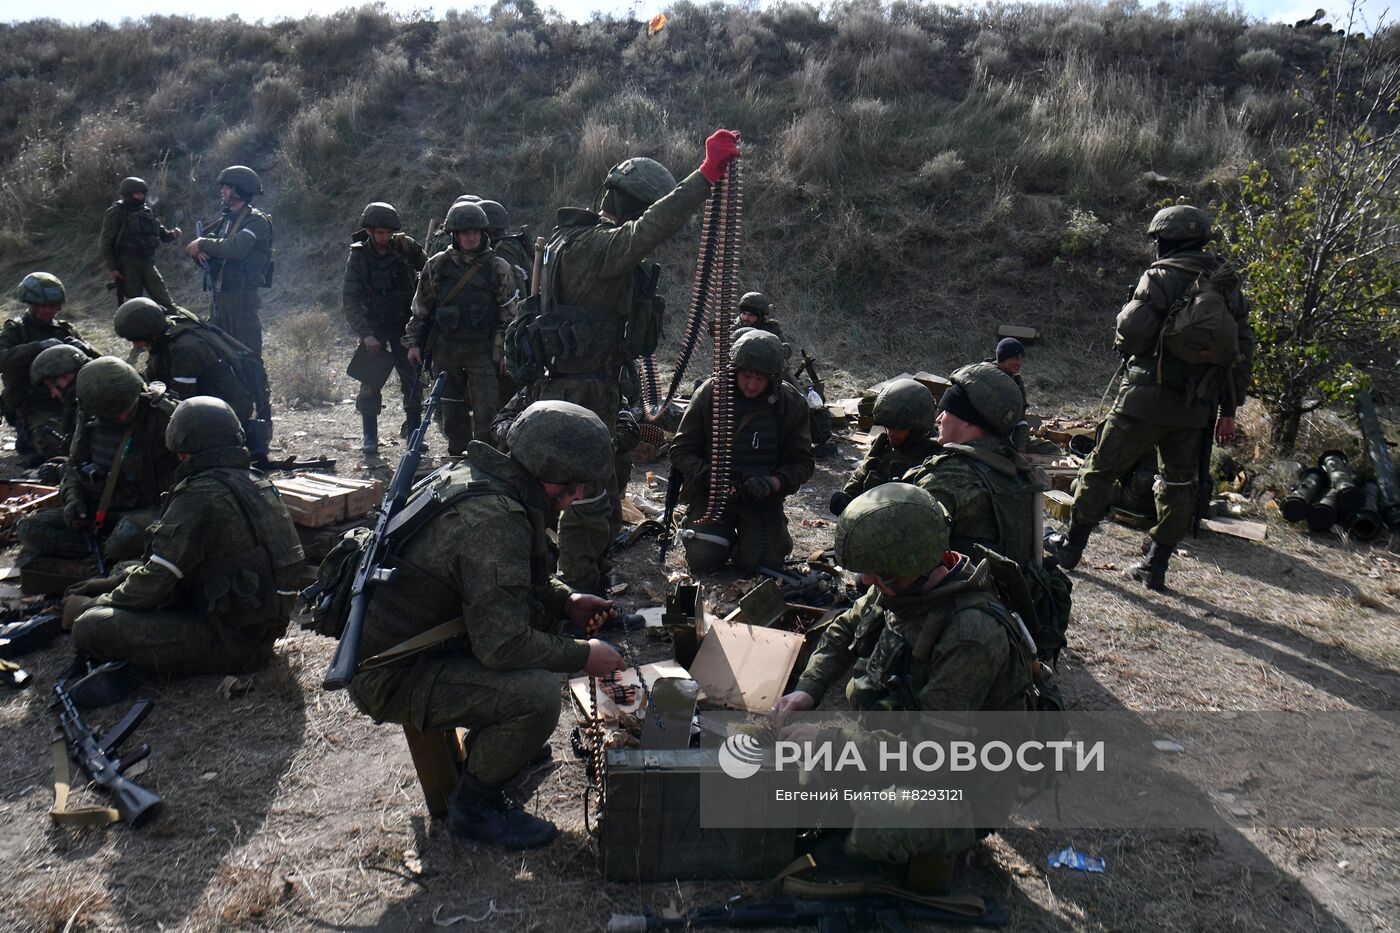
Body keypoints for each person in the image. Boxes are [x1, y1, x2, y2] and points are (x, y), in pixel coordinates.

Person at [345, 401, 628, 850]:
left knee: (538, 645)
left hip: (416, 646)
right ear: (549, 470)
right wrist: (584, 656)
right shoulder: (494, 521)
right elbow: (502, 646)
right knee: (536, 697)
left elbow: (516, 582)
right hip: (394, 672)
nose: (576, 497)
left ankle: (501, 747)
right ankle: (475, 808)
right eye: (574, 486)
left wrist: (565, 600)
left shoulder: (489, 480)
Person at [775, 484, 1035, 893]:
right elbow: (845, 628)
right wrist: (809, 687)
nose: (866, 580)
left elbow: (933, 751)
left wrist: (830, 741)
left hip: (962, 781)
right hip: (893, 741)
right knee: (795, 790)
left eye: (877, 573)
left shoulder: (971, 636)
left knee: (876, 826)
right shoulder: (902, 587)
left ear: (910, 562)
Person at [524, 129, 740, 592]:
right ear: (631, 206)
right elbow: (649, 231)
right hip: (581, 388)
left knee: (612, 470)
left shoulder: (573, 239)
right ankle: (580, 589)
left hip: (592, 381)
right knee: (587, 491)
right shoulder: (593, 246)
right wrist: (705, 175)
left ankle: (588, 567)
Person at [1050, 206, 1254, 590]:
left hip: (1143, 399)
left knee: (1101, 468)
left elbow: (1133, 333)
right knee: (1180, 484)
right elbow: (1242, 353)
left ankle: (1070, 547)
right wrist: (1229, 409)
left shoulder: (1159, 275)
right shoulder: (1227, 285)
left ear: (1164, 240)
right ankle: (1155, 566)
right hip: (1198, 407)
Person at [66, 397, 304, 675]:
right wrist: (110, 582)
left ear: (182, 449)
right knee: (125, 569)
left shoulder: (198, 495)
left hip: (229, 640)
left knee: (90, 627)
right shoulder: (256, 481)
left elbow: (155, 583)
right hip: (253, 624)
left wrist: (93, 604)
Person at [904, 363, 1072, 662]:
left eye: (947, 410)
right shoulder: (1014, 467)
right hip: (1014, 613)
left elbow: (907, 552)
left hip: (965, 625)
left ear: (969, 422)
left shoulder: (949, 475)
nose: (939, 418)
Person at [670, 330, 814, 573]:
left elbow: (802, 463)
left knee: (765, 565)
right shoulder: (709, 394)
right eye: (746, 376)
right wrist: (709, 475)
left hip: (761, 499)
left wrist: (773, 483)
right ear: (734, 371)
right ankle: (718, 534)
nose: (752, 385)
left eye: (760, 378)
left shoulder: (790, 403)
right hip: (712, 495)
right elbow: (680, 451)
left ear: (773, 378)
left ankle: (755, 540)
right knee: (703, 559)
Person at [17, 357, 179, 563]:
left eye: (126, 411)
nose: (121, 418)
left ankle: (109, 554)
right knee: (29, 528)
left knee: (125, 536)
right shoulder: (88, 415)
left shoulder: (165, 417)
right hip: (102, 511)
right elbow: (73, 466)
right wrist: (73, 500)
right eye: (113, 414)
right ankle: (101, 554)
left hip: (151, 513)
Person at [405, 201, 519, 454]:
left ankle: (485, 460)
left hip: (483, 349)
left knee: (487, 411)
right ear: (455, 234)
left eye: (476, 231)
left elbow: (510, 314)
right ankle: (457, 458)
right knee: (451, 410)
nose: (472, 237)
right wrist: (413, 342)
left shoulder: (498, 267)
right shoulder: (436, 265)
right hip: (446, 349)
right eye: (466, 232)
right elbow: (421, 307)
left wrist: (505, 352)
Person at [113, 297, 272, 458]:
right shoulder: (167, 335)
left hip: (229, 411)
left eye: (136, 340)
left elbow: (181, 406)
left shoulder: (185, 349)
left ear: (147, 331)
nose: (135, 346)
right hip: (209, 402)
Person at [342, 201, 429, 453]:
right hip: (374, 326)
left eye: (388, 233)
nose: (384, 237)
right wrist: (366, 334)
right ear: (369, 231)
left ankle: (413, 431)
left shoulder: (406, 247)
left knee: (412, 380)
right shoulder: (359, 257)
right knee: (370, 381)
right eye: (380, 232)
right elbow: (350, 298)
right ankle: (370, 436)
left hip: (405, 325)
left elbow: (432, 270)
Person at [0, 273, 96, 465]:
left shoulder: (64, 330)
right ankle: (27, 435)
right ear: (31, 304)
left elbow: (95, 364)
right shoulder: (16, 330)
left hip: (70, 403)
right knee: (58, 446)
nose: (48, 311)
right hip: (35, 406)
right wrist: (37, 347)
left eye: (52, 306)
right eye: (43, 306)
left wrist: (86, 349)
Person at [184, 165, 272, 358]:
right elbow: (212, 251)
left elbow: (236, 248)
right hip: (220, 296)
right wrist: (200, 254)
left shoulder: (256, 221)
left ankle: (255, 387)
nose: (222, 191)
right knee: (218, 353)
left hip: (241, 298)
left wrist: (202, 243)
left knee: (247, 352)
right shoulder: (225, 221)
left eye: (227, 187)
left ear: (240, 190)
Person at [829, 378, 939, 515]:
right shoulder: (882, 445)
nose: (891, 433)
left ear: (918, 428)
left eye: (898, 428)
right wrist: (848, 501)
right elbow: (857, 483)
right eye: (887, 426)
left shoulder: (934, 459)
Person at [97, 176, 181, 309]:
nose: (140, 196)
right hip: (128, 265)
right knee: (135, 305)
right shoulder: (116, 212)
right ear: (127, 194)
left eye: (142, 193)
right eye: (136, 193)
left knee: (165, 301)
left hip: (148, 262)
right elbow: (105, 243)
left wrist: (173, 234)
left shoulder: (146, 212)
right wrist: (113, 268)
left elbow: (163, 235)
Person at [28, 344, 90, 453]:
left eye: (51, 386)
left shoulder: (88, 402)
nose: (53, 394)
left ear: (64, 376)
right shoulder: (84, 395)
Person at [991, 337, 1030, 451]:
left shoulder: (1016, 381)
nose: (1019, 363)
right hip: (988, 436)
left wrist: (1021, 447)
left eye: (1022, 359)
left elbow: (1020, 417)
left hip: (1010, 436)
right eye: (1015, 358)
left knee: (1049, 449)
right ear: (1003, 357)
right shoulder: (988, 377)